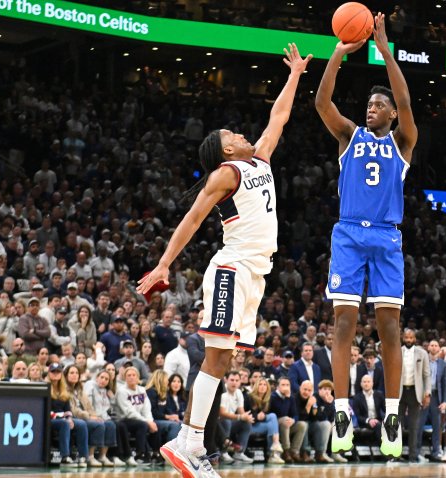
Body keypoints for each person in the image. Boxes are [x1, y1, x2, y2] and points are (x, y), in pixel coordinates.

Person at [137, 43, 311, 477]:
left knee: (221, 361)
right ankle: (189, 442)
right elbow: (192, 219)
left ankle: (192, 442)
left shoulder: (260, 161)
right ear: (224, 151)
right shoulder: (225, 174)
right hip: (232, 268)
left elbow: (279, 117)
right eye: (231, 136)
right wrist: (164, 265)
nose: (239, 133)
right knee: (214, 358)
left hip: (255, 272)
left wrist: (294, 75)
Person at [315, 13, 417, 459]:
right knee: (343, 323)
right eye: (369, 105)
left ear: (392, 114)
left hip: (387, 237)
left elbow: (407, 100)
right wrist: (338, 53)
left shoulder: (403, 141)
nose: (371, 108)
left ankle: (391, 414)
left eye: (379, 105)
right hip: (349, 234)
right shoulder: (348, 135)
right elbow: (322, 102)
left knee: (389, 328)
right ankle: (341, 410)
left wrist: (385, 49)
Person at [399, 328, 430, 462]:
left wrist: (427, 393)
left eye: (411, 338)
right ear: (403, 338)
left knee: (414, 426)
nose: (409, 340)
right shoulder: (397, 351)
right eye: (406, 337)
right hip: (399, 392)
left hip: (415, 392)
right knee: (397, 425)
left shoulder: (422, 353)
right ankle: (395, 455)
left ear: (415, 339)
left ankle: (413, 455)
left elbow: (426, 375)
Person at [246, 376, 286, 464]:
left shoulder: (268, 400)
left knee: (271, 424)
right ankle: (274, 450)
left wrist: (287, 397)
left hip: (262, 426)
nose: (262, 386)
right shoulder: (249, 397)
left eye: (265, 385)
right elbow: (245, 415)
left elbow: (280, 412)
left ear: (268, 388)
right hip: (249, 426)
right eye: (260, 384)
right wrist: (257, 417)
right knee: (272, 417)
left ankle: (273, 452)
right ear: (256, 386)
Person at [419, 339, 446, 461]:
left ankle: (437, 451)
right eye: (432, 345)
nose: (434, 347)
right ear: (428, 348)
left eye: (436, 345)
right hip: (424, 396)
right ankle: (417, 452)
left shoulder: (443, 364)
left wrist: (445, 401)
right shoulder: (422, 362)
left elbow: (445, 384)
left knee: (437, 426)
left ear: (439, 348)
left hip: (437, 396)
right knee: (419, 425)